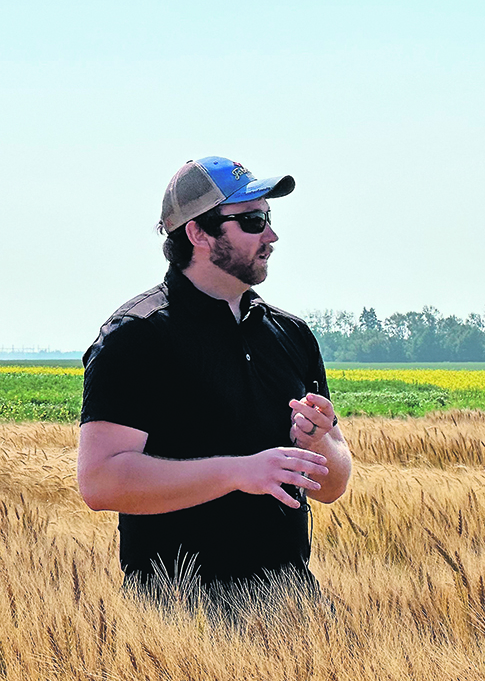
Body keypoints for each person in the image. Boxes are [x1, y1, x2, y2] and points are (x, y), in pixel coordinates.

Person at [77, 156, 351, 598]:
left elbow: (332, 486)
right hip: (175, 615)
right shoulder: (137, 336)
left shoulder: (292, 335)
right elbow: (100, 482)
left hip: (295, 606)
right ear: (197, 233)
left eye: (268, 218)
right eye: (253, 220)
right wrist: (238, 472)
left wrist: (319, 442)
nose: (271, 236)